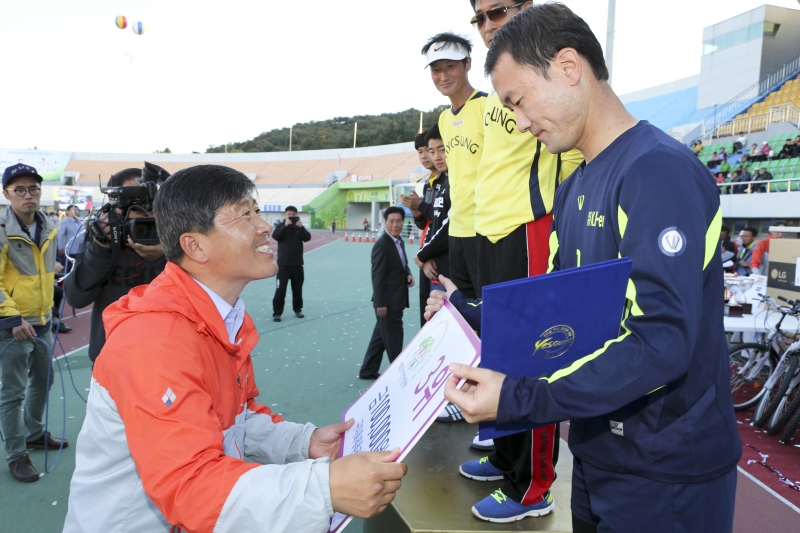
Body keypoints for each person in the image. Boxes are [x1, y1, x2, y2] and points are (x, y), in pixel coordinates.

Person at [440, 5, 741, 532]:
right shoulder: (575, 184)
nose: (517, 120)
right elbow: (558, 312)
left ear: (569, 66)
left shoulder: (657, 172)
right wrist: (465, 314)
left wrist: (520, 397)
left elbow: (661, 340)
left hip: (667, 469)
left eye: (517, 100)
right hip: (599, 454)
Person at [63, 165, 407, 532]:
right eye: (245, 214)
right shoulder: (155, 339)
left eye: (256, 210)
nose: (263, 226)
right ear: (195, 245)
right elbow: (192, 488)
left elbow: (232, 419)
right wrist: (324, 488)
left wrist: (303, 443)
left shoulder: (219, 316)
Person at [455, 0, 584, 523]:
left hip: (531, 230)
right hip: (489, 234)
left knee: (532, 358)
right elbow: (485, 173)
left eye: (499, 10)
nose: (489, 25)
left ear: (528, 7)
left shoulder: (553, 74)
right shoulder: (492, 98)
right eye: (480, 17)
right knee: (498, 357)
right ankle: (508, 456)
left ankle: (533, 485)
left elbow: (577, 149)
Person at [0, 164, 67, 483]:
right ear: (6, 194)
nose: (28, 195)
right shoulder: (1, 227)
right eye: (20, 190)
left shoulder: (49, 224)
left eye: (34, 189)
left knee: (44, 381)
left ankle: (34, 433)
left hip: (41, 321)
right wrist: (12, 317)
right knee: (12, 393)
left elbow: (46, 271)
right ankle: (17, 455)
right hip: (11, 326)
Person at [64, 168, 167, 363]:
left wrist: (169, 253)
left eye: (149, 201)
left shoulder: (176, 240)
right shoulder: (101, 239)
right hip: (111, 360)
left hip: (164, 355)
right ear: (114, 206)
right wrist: (101, 247)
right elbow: (76, 298)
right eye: (133, 201)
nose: (145, 208)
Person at [422, 32, 487, 299]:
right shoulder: (445, 119)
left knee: (486, 315)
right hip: (455, 233)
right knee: (459, 314)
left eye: (450, 66)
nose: (443, 76)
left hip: (485, 230)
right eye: (436, 69)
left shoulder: (488, 106)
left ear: (468, 64)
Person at [359, 207, 414, 380]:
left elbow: (401, 263)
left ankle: (367, 371)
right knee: (394, 338)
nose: (395, 225)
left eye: (398, 221)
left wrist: (408, 273)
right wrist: (380, 303)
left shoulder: (398, 241)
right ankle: (400, 375)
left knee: (381, 337)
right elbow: (377, 276)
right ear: (385, 223)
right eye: (391, 221)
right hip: (388, 303)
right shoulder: (382, 245)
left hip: (397, 298)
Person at [401, 130, 440, 326]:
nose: (425, 156)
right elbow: (426, 223)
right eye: (420, 151)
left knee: (438, 316)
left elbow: (444, 220)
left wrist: (422, 206)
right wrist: (416, 212)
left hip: (436, 256)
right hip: (426, 255)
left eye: (429, 150)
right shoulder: (427, 185)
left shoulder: (447, 182)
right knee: (426, 315)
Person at [414, 125, 452, 289]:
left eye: (441, 149)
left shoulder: (453, 180)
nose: (434, 156)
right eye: (428, 151)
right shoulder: (430, 183)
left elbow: (449, 223)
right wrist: (417, 213)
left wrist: (424, 255)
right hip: (432, 259)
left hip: (445, 264)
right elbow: (432, 222)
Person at [271, 206, 311, 321]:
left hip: (297, 265)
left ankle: (298, 310)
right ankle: (277, 313)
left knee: (297, 289)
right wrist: (285, 226)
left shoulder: (299, 227)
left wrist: (301, 227)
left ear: (297, 215)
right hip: (282, 265)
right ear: (285, 214)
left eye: (293, 214)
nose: (291, 216)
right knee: (280, 290)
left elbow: (307, 238)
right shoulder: (280, 226)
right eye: (289, 214)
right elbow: (276, 236)